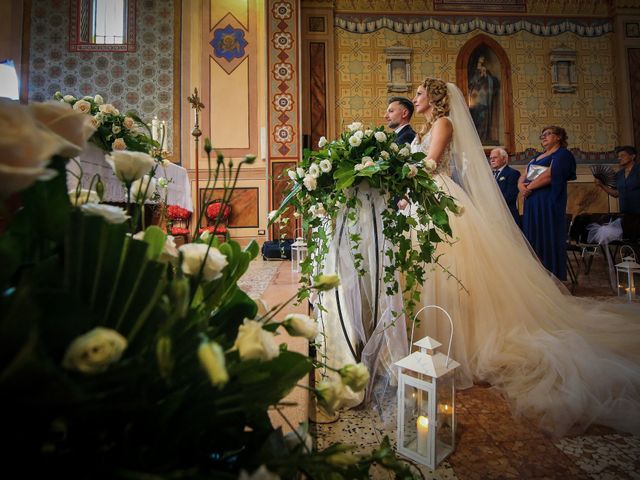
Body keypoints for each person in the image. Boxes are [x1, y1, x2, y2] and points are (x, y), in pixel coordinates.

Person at [407, 77, 640, 437]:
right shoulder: (427, 124)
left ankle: (452, 337)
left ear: (434, 99)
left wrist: (396, 175)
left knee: (447, 264)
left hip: (435, 194)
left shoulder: (443, 123)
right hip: (422, 198)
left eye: (419, 94)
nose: (415, 98)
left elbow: (431, 164)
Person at [519, 126, 576, 281]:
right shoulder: (537, 156)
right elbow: (524, 175)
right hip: (531, 200)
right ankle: (536, 275)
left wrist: (528, 188)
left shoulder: (563, 154)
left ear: (558, 137)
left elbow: (550, 176)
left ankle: (550, 276)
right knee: (533, 235)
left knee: (546, 233)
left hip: (548, 201)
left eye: (548, 134)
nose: (543, 137)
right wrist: (521, 187)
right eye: (542, 135)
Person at [594, 145, 640, 214]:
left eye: (622, 155)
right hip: (625, 213)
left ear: (632, 156)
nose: (619, 158)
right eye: (618, 156)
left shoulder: (638, 170)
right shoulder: (619, 174)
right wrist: (601, 185)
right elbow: (616, 193)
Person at [468, 56, 499, 144]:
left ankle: (484, 137)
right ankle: (477, 138)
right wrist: (479, 76)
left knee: (484, 118)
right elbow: (471, 84)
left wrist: (486, 76)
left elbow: (492, 82)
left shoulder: (486, 72)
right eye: (481, 59)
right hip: (475, 100)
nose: (482, 60)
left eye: (483, 59)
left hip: (484, 100)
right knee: (476, 119)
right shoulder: (473, 74)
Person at [489, 147, 521, 225]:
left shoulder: (512, 173)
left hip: (507, 214)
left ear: (504, 159)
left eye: (495, 157)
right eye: (491, 158)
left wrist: (493, 204)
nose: (492, 160)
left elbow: (510, 196)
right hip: (492, 216)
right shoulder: (490, 175)